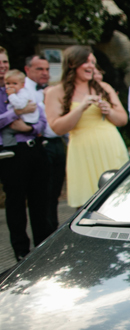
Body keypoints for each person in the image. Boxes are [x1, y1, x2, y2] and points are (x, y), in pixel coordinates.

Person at [45, 45, 129, 208]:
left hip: (110, 146)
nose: (91, 66)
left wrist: (109, 111)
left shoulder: (104, 88)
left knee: (119, 199)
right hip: (83, 150)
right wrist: (80, 108)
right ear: (72, 64)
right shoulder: (55, 92)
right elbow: (57, 128)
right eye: (87, 62)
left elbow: (123, 120)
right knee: (88, 204)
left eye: (93, 62)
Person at [0, 47, 53, 260]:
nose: (2, 66)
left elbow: (41, 118)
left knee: (41, 201)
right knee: (15, 204)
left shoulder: (24, 88)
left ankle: (44, 248)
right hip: (12, 153)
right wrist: (15, 112)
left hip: (35, 147)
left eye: (4, 62)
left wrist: (29, 128)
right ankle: (21, 251)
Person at [25, 55, 67, 231]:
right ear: (27, 70)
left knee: (56, 191)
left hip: (58, 142)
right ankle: (44, 234)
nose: (45, 73)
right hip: (40, 144)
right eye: (39, 69)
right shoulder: (22, 90)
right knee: (43, 194)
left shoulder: (54, 90)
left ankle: (54, 228)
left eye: (47, 69)